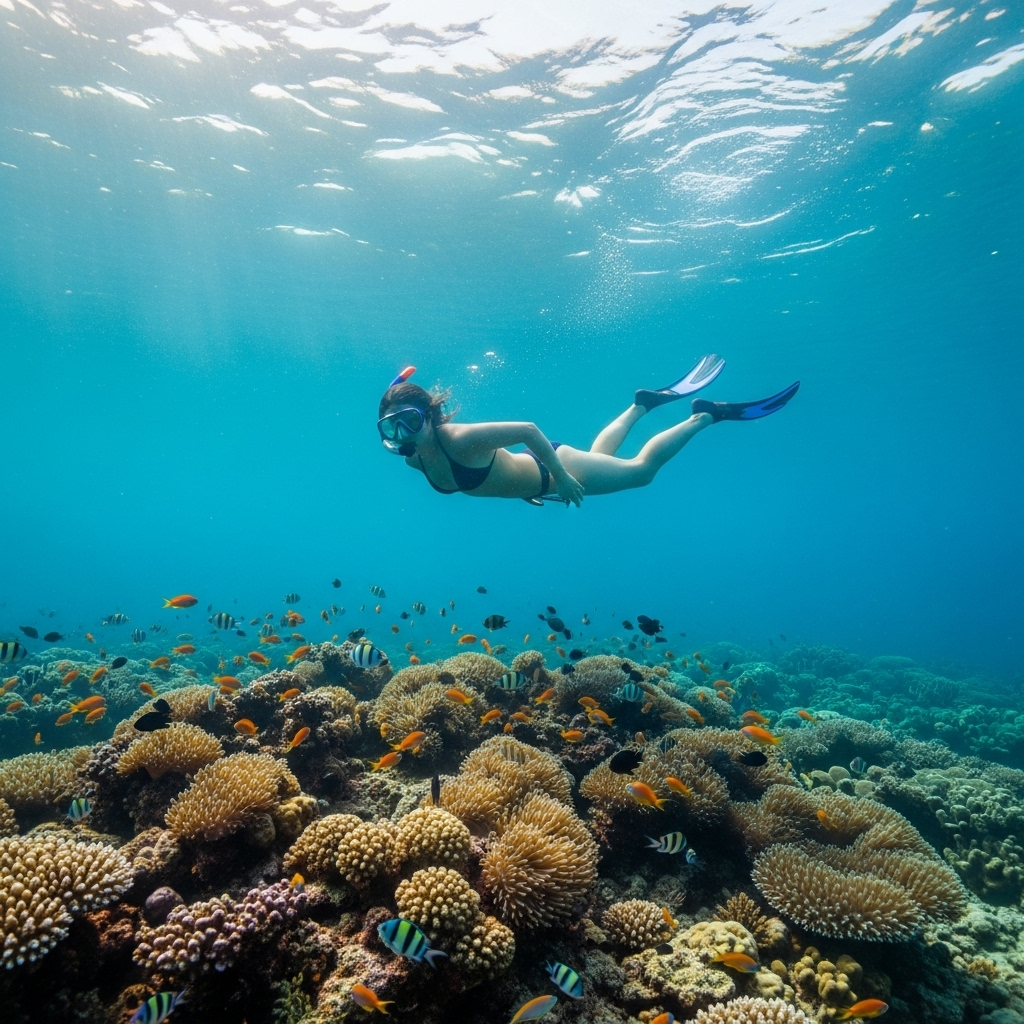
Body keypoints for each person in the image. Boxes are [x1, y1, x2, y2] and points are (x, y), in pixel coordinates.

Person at [376, 357, 798, 507]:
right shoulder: (415, 459)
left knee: (640, 471)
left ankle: (704, 415)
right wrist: (523, 491)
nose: (404, 434)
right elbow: (491, 477)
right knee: (608, 457)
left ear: (431, 416)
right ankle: (642, 404)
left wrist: (558, 478)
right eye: (393, 428)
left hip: (554, 470)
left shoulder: (462, 439)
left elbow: (527, 429)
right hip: (538, 481)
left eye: (410, 422)